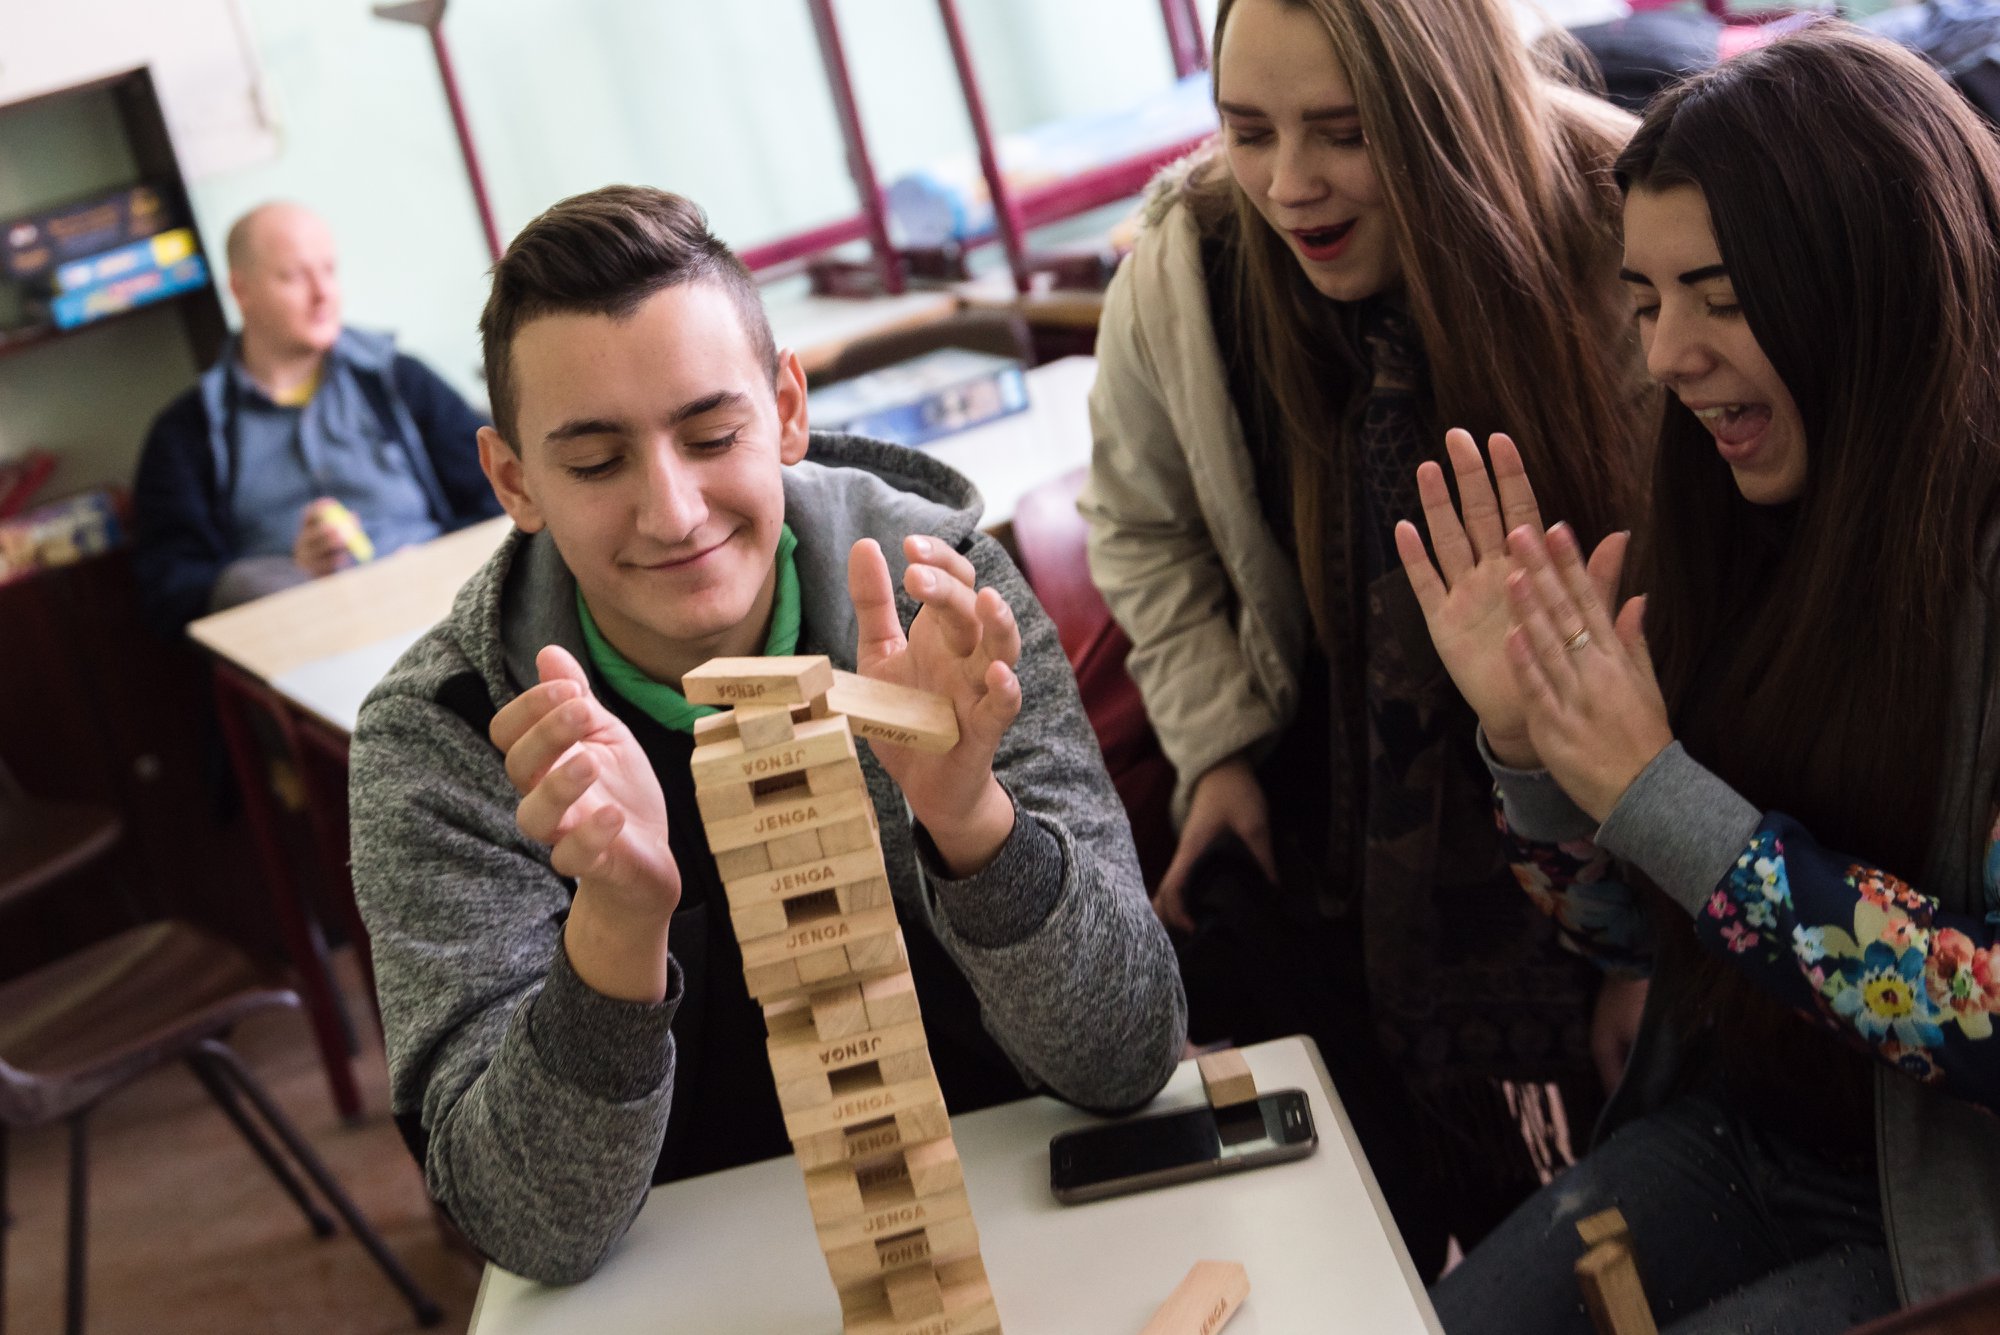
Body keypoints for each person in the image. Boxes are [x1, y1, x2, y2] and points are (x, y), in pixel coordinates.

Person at [346, 186, 1186, 1284]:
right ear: (513, 479)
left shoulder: (944, 601)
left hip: (1015, 1239)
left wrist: (969, 820)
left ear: (786, 406)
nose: (673, 511)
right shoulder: (448, 738)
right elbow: (529, 1225)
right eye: (595, 464)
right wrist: (615, 924)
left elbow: (1127, 1055)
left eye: (710, 435)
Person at [1407, 24, 2000, 1332]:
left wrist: (1658, 791)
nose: (1668, 354)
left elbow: (1985, 1011)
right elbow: (1640, 935)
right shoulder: (1737, 521)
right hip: (1740, 1131)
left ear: (1873, 286)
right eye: (1646, 299)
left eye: (1721, 300)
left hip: (1956, 1208)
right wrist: (1536, 760)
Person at [1078, 0, 1649, 1273]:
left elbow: (1718, 624)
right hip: (1322, 825)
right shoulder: (1187, 264)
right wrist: (1216, 748)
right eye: (1245, 130)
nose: (1290, 184)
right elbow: (1139, 526)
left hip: (1608, 830)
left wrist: (1659, 935)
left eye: (1342, 133)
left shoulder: (1624, 228)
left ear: (1446, 113)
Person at [131, 201, 498, 634]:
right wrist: (290, 574)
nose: (323, 293)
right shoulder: (186, 433)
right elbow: (169, 585)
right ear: (241, 291)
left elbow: (498, 495)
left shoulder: (399, 380)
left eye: (328, 270)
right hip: (301, 641)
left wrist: (433, 563)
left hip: (446, 614)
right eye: (294, 276)